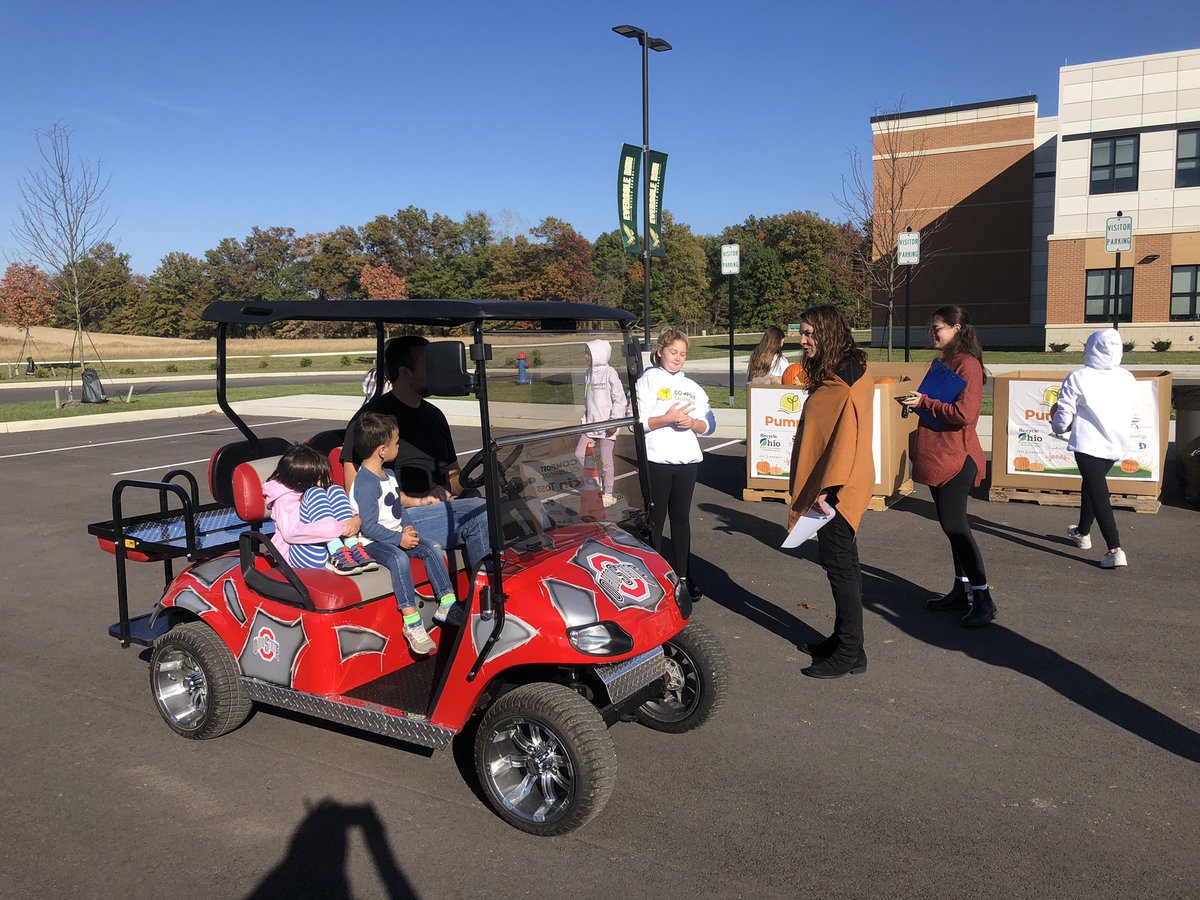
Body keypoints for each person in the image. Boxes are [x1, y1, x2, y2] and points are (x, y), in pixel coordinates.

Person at [342, 336, 489, 573]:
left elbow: (453, 475)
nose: (436, 370)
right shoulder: (370, 422)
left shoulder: (435, 416)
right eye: (427, 364)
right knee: (480, 514)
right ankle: (489, 601)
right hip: (398, 520)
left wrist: (471, 488)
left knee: (500, 507)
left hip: (440, 508)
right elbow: (357, 493)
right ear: (405, 372)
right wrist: (418, 500)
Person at [787, 305, 874, 679]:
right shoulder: (845, 368)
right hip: (838, 484)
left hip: (837, 489)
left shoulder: (844, 380)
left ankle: (850, 650)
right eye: (802, 333)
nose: (803, 341)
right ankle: (847, 642)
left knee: (840, 568)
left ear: (827, 333)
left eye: (810, 334)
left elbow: (846, 438)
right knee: (845, 565)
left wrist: (829, 488)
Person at [900, 305, 995, 627]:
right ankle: (962, 589)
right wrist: (919, 404)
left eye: (938, 327)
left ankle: (983, 598)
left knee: (957, 527)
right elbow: (939, 406)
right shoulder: (945, 362)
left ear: (957, 328)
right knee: (950, 529)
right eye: (932, 327)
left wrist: (925, 402)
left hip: (957, 459)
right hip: (941, 455)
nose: (933, 332)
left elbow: (965, 415)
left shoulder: (967, 365)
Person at [352, 413, 461, 655]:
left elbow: (398, 509)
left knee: (431, 547)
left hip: (394, 533)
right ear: (382, 450)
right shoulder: (366, 483)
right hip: (371, 542)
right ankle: (411, 622)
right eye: (396, 443)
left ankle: (447, 602)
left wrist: (407, 527)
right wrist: (398, 539)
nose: (398, 446)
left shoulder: (388, 475)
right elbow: (368, 526)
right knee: (399, 559)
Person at [635, 326, 715, 602]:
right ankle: (653, 577)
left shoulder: (691, 387)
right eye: (673, 352)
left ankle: (682, 576)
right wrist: (666, 419)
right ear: (660, 351)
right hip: (657, 461)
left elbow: (710, 424)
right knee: (655, 521)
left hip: (687, 462)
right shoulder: (648, 381)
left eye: (682, 353)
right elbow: (639, 423)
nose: (678, 358)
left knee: (681, 519)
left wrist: (693, 423)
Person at [1050, 328, 1138, 569]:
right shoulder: (1127, 378)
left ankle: (1115, 549)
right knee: (1092, 484)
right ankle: (1082, 532)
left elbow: (1063, 413)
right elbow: (1134, 415)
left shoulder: (1079, 376)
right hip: (1116, 444)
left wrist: (1057, 428)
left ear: (1090, 348)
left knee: (1099, 493)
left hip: (1088, 445)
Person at [262, 444, 377, 576]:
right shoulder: (285, 499)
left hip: (327, 545)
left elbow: (337, 510)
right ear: (303, 481)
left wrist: (356, 520)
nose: (325, 479)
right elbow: (291, 533)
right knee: (315, 493)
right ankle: (338, 552)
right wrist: (339, 528)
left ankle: (352, 546)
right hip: (299, 555)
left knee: (335, 489)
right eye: (320, 477)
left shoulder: (312, 488)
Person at [576, 339, 629, 507]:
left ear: (599, 355)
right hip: (591, 424)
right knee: (579, 453)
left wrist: (615, 421)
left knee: (606, 461)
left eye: (588, 353)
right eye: (585, 353)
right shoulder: (588, 373)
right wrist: (585, 419)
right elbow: (588, 400)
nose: (585, 356)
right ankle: (594, 478)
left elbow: (619, 399)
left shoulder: (610, 372)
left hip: (608, 426)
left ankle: (608, 493)